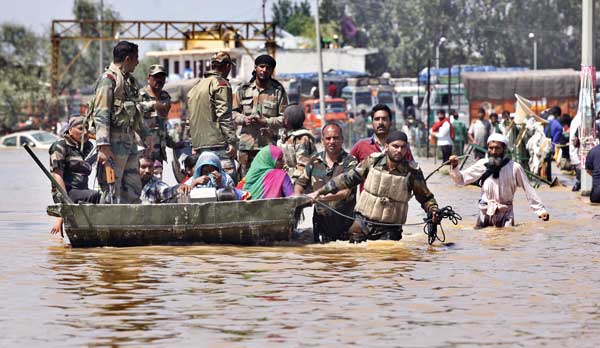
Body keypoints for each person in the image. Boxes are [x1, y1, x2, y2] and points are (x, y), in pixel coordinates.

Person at [309, 131, 440, 243]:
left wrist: (433, 211)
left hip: (390, 229)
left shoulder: (413, 172)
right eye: (395, 146)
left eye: (403, 147)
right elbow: (346, 179)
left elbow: (425, 197)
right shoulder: (372, 161)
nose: (399, 150)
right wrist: (320, 192)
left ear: (407, 149)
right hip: (361, 224)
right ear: (387, 146)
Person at [449, 133, 550, 228]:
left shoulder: (515, 167)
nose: (493, 152)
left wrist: (540, 210)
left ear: (504, 149)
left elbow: (529, 190)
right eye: (491, 148)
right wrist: (454, 166)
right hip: (485, 212)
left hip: (505, 213)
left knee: (506, 239)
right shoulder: (482, 164)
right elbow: (461, 179)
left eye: (497, 148)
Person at [93, 41, 151, 204]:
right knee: (112, 189)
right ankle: (107, 226)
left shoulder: (128, 82)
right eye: (136, 58)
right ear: (127, 59)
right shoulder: (108, 80)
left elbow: (136, 111)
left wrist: (147, 135)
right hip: (113, 144)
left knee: (133, 188)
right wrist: (103, 146)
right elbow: (101, 113)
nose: (138, 62)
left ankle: (131, 224)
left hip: (128, 141)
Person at [294, 123, 358, 243]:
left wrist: (319, 198)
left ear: (342, 140)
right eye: (328, 138)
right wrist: (299, 198)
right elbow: (300, 184)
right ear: (322, 141)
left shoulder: (350, 162)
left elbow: (345, 192)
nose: (332, 141)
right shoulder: (314, 161)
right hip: (321, 225)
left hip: (346, 225)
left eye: (336, 138)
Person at [233, 55, 288, 176]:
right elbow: (233, 113)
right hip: (247, 145)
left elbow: (284, 118)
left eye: (268, 68)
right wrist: (243, 119)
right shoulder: (243, 90)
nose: (264, 70)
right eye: (261, 66)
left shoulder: (278, 91)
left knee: (268, 179)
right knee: (246, 180)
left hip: (267, 146)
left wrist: (266, 122)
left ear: (272, 70)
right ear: (255, 67)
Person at [49, 116, 101, 236]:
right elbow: (57, 176)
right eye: (80, 129)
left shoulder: (88, 147)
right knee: (96, 196)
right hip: (66, 191)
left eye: (87, 129)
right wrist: (65, 203)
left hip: (82, 191)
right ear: (70, 130)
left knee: (106, 197)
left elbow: (101, 139)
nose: (85, 132)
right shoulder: (60, 146)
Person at [186, 51, 238, 166]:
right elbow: (224, 114)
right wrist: (232, 141)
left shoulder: (196, 87)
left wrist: (193, 144)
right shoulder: (221, 84)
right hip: (218, 145)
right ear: (228, 66)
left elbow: (189, 120)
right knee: (226, 180)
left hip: (199, 146)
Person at [139, 64, 171, 164]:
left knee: (157, 178)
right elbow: (133, 108)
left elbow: (163, 124)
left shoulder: (165, 96)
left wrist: (172, 142)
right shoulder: (140, 95)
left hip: (159, 151)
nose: (159, 80)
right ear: (149, 78)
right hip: (143, 149)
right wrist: (152, 104)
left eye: (162, 77)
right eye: (156, 77)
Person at [278, 104, 317, 182]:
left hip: (299, 181)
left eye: (283, 117)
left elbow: (302, 166)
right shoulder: (286, 134)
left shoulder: (301, 138)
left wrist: (291, 183)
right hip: (286, 176)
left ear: (286, 120)